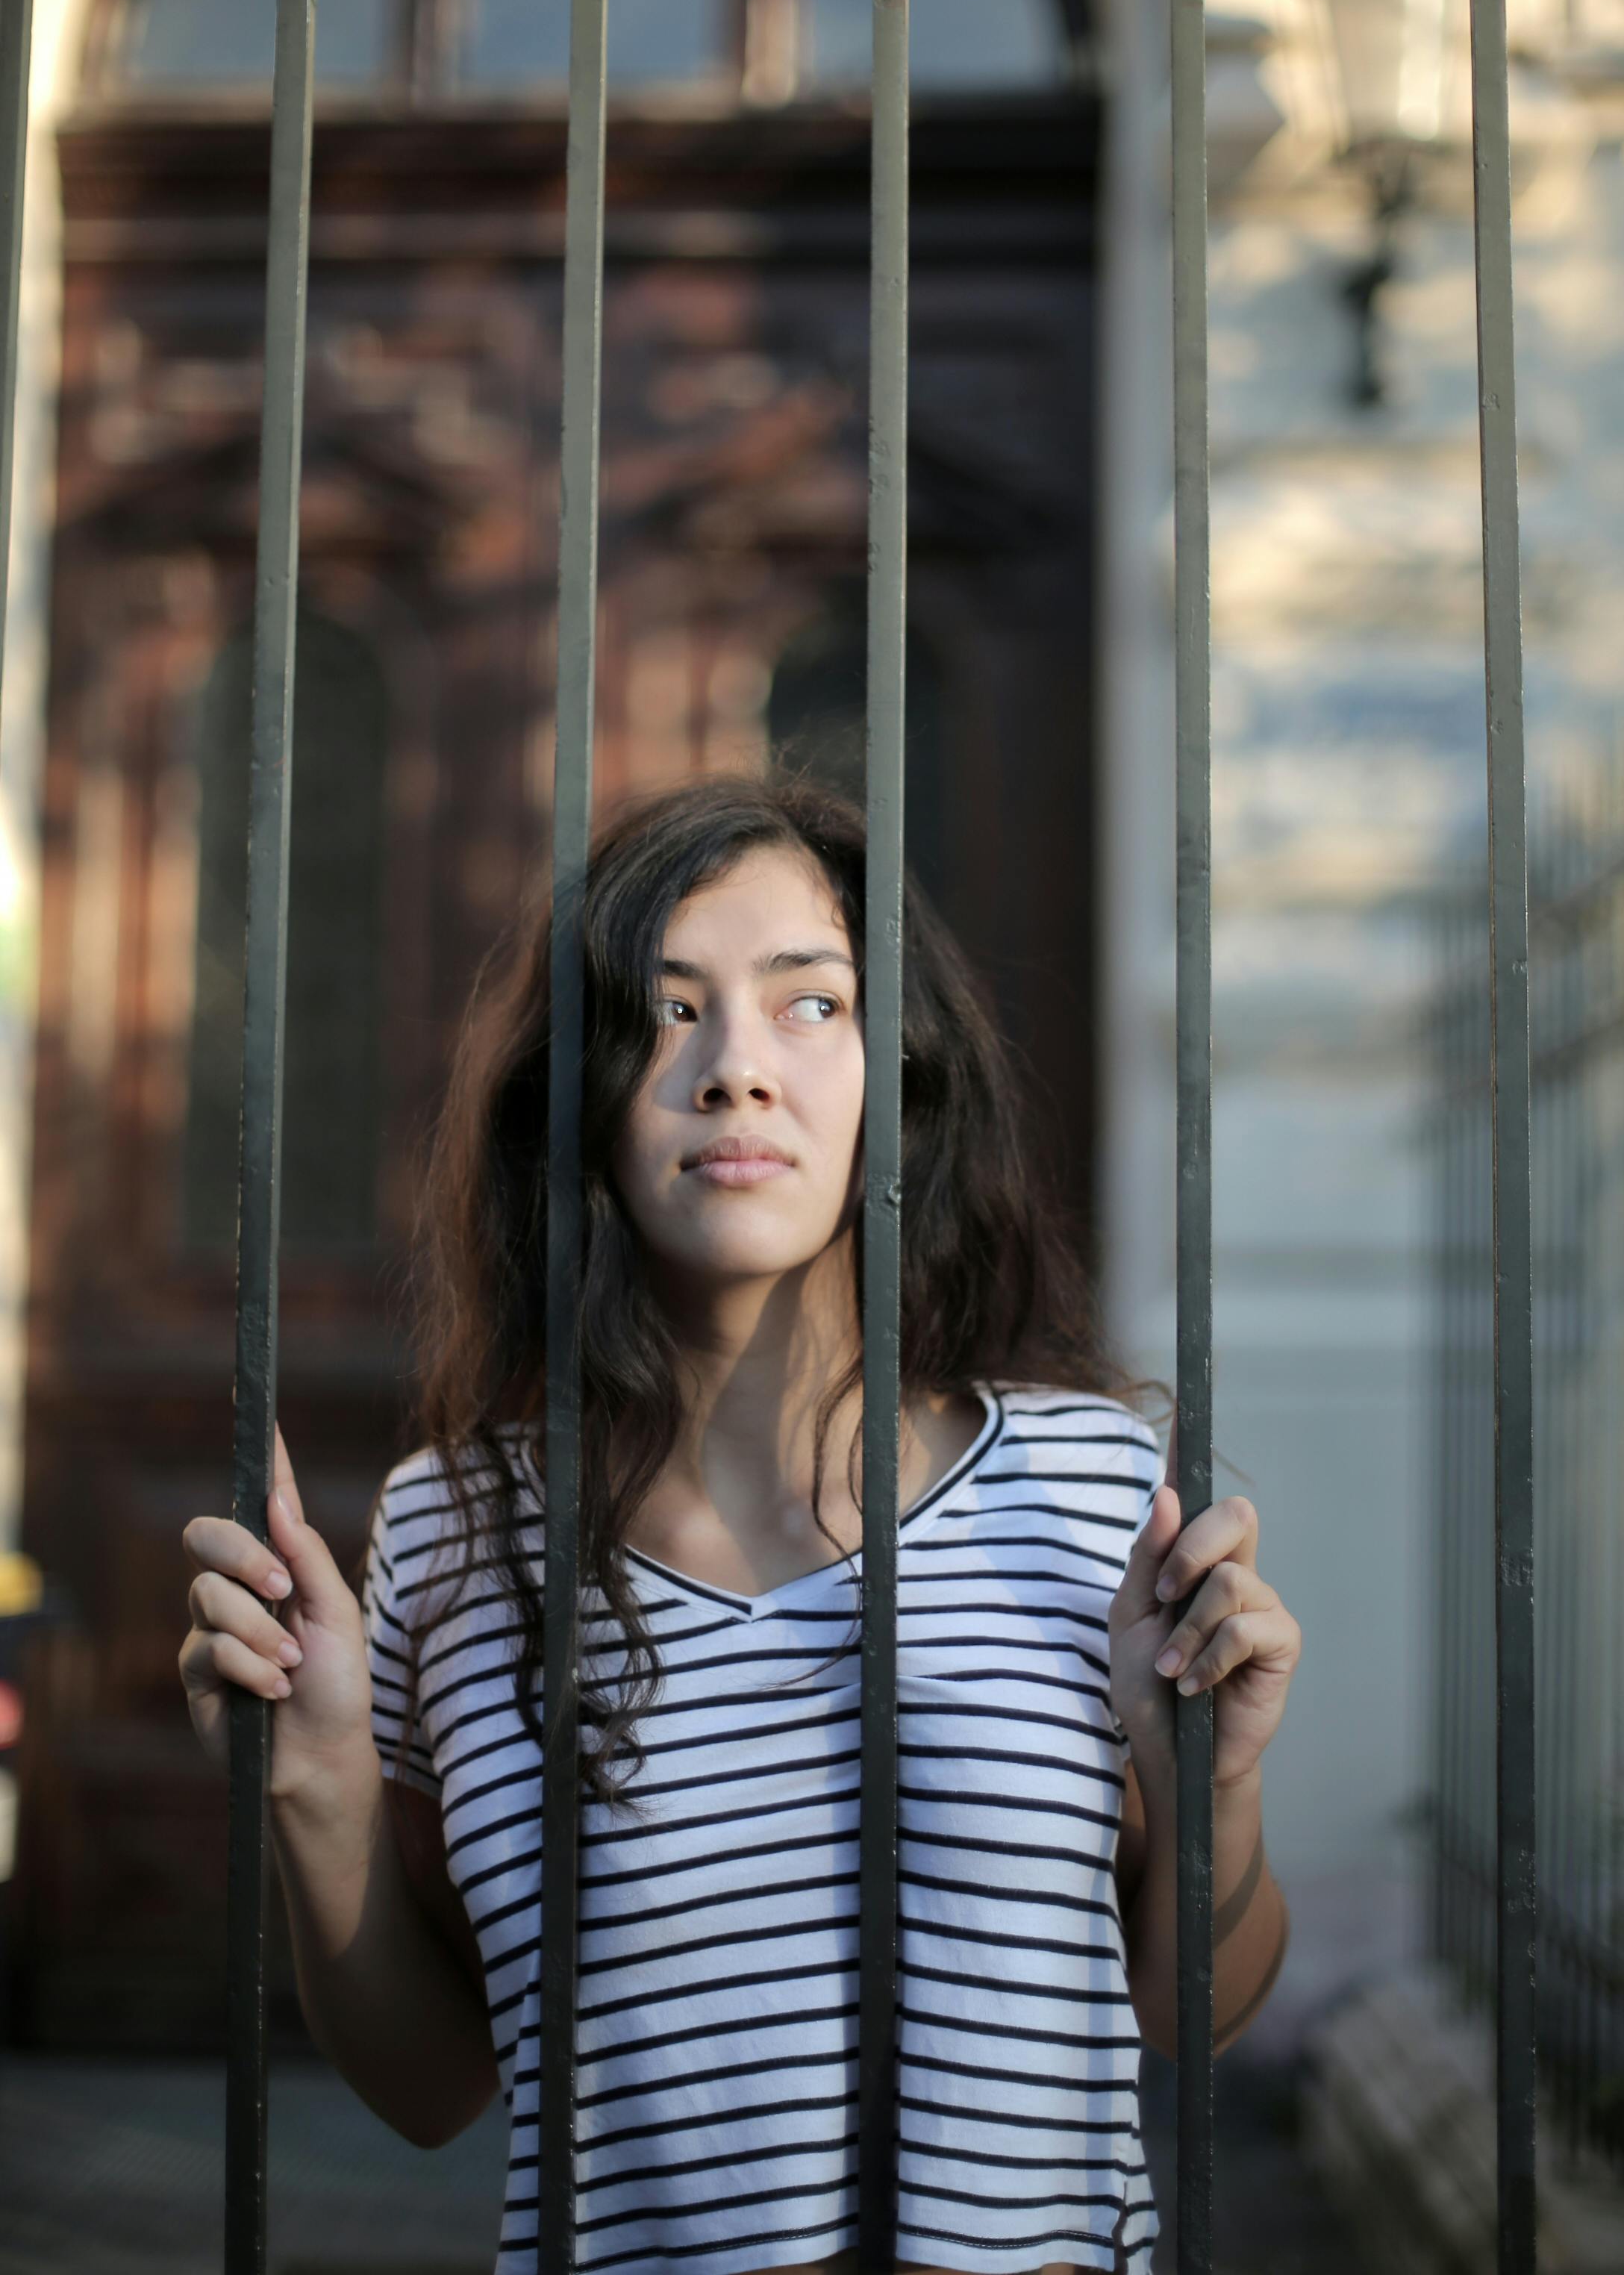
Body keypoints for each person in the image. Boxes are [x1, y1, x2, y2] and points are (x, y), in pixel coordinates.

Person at [178, 769, 1301, 2275]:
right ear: (574, 1090)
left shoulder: (1090, 1488)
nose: (734, 1069)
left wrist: (1213, 1785)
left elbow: (1189, 2006)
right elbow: (435, 2086)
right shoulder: (458, 1530)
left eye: (809, 1002)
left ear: (894, 1071)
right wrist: (315, 1784)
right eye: (664, 1007)